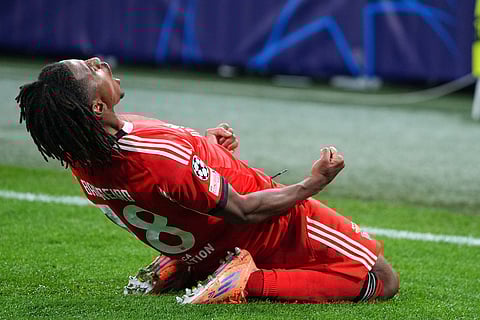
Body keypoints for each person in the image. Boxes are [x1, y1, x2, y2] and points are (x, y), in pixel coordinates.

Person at [16, 57, 399, 304]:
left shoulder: (84, 151)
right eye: (90, 69)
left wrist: (204, 146)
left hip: (199, 243)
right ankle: (244, 282)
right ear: (96, 107)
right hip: (265, 229)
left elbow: (166, 186)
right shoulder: (159, 160)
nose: (98, 61)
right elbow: (246, 211)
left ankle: (184, 267)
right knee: (382, 279)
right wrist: (312, 183)